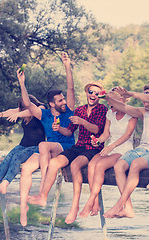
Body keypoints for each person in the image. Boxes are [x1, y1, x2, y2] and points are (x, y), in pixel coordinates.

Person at [28, 81, 108, 225]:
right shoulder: (80, 110)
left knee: (75, 165)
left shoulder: (102, 109)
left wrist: (82, 122)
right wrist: (58, 129)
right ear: (86, 93)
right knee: (54, 162)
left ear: (99, 97)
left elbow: (97, 130)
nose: (93, 95)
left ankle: (74, 207)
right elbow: (69, 131)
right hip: (78, 146)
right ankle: (43, 196)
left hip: (93, 148)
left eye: (97, 93)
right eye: (91, 92)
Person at [18, 52, 76, 226]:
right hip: (46, 151)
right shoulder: (44, 114)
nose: (64, 101)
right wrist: (22, 83)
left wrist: (67, 65)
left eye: (64, 98)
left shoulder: (69, 110)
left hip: (64, 147)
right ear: (52, 103)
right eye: (60, 100)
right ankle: (23, 208)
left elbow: (71, 88)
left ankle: (43, 192)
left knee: (43, 145)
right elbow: (28, 104)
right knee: (26, 169)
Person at [102, 85, 149, 218]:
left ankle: (118, 205)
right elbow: (122, 106)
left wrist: (130, 93)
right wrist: (105, 97)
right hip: (141, 149)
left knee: (135, 164)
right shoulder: (142, 112)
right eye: (143, 93)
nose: (144, 96)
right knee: (119, 165)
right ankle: (128, 208)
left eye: (148, 94)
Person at [78, 88, 137, 218]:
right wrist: (98, 141)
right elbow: (106, 134)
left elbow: (127, 135)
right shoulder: (110, 113)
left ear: (120, 101)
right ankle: (96, 203)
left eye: (111, 102)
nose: (109, 105)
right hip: (111, 146)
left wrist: (111, 146)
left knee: (100, 165)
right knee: (92, 163)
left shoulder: (131, 114)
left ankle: (89, 202)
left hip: (123, 148)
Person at [0, 95, 46, 195]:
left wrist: (18, 114)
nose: (22, 111)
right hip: (23, 145)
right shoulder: (22, 112)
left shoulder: (42, 108)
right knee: (7, 158)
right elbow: (13, 111)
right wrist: (1, 114)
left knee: (17, 157)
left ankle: (4, 185)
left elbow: (31, 111)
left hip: (36, 147)